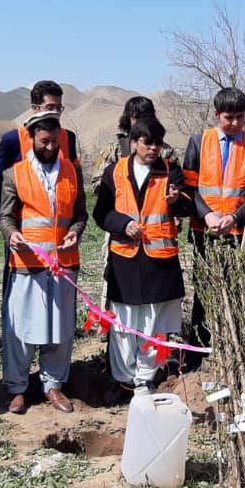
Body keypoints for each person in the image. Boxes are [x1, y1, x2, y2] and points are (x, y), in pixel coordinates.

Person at [93, 117, 192, 404]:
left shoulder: (170, 170)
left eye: (158, 144)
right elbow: (102, 214)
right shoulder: (115, 171)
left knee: (153, 325)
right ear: (134, 143)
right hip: (125, 259)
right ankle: (122, 381)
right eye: (147, 143)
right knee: (124, 324)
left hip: (159, 261)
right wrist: (123, 224)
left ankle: (145, 381)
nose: (153, 149)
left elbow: (187, 203)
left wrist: (176, 200)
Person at [0, 111, 86, 415]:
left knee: (60, 330)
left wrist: (75, 233)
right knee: (20, 329)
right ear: (32, 139)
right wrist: (12, 235)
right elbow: (6, 215)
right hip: (28, 264)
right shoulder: (15, 173)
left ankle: (53, 385)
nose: (50, 148)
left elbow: (80, 214)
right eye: (44, 141)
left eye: (55, 142)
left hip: (63, 264)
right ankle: (17, 388)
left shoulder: (72, 172)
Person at [181, 87, 245, 369]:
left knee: (240, 294)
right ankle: (198, 355)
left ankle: (236, 354)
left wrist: (234, 218)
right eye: (228, 117)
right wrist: (206, 215)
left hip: (239, 235)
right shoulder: (198, 142)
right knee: (204, 294)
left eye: (239, 117)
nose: (234, 123)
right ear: (217, 114)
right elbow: (189, 188)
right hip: (205, 232)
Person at [90, 96, 177, 192]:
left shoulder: (165, 151)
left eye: (146, 117)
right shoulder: (113, 150)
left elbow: (177, 184)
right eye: (137, 118)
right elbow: (97, 184)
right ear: (128, 119)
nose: (142, 122)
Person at [0, 80, 80, 176]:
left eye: (59, 107)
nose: (56, 112)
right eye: (50, 107)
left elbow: (75, 175)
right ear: (35, 108)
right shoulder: (13, 139)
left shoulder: (69, 137)